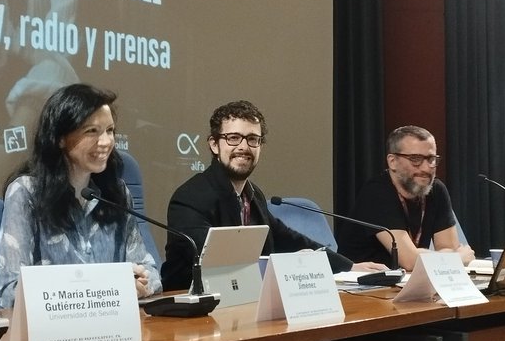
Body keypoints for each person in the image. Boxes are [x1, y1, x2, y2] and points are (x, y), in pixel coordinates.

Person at [163, 100, 386, 291]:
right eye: (233, 138)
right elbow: (221, 259)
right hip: (189, 314)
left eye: (252, 139)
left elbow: (288, 238)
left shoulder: (253, 194)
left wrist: (349, 267)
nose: (243, 147)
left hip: (242, 301)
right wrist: (297, 263)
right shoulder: (189, 197)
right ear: (214, 144)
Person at [0, 84, 162, 307]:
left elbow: (149, 270)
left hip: (113, 327)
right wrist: (108, 286)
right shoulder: (25, 192)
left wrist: (140, 285)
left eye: (110, 131)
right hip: (54, 334)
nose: (106, 142)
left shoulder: (116, 193)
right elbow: (11, 292)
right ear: (60, 138)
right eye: (91, 131)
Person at [336, 125, 475, 271]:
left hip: (411, 281)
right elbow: (410, 261)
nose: (426, 168)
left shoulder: (436, 189)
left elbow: (449, 248)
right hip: (364, 286)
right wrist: (456, 259)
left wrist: (427, 257)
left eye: (431, 159)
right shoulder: (377, 192)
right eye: (415, 159)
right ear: (392, 162)